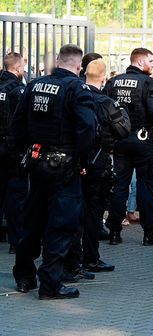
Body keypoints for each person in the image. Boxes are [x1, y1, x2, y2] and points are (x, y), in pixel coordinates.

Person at [12, 44, 96, 300]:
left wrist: (25, 151)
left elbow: (18, 121)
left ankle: (25, 278)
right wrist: (81, 160)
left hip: (37, 161)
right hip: (64, 165)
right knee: (61, 224)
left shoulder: (35, 85)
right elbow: (88, 129)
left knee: (32, 221)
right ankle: (50, 284)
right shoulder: (77, 88)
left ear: (58, 60)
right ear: (79, 66)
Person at [104, 48, 153, 246]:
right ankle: (149, 234)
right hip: (143, 140)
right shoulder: (149, 83)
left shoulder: (113, 82)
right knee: (145, 186)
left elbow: (104, 108)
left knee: (120, 185)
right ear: (139, 62)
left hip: (119, 141)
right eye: (150, 61)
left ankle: (114, 231)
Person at [82, 58, 130, 272]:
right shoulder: (105, 102)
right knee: (93, 212)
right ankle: (90, 258)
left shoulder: (74, 95)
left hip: (74, 161)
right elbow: (123, 129)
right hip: (98, 160)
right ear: (103, 78)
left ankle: (71, 259)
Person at [0, 53, 27, 254]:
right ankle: (16, 240)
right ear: (17, 68)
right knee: (16, 195)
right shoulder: (18, 90)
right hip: (13, 149)